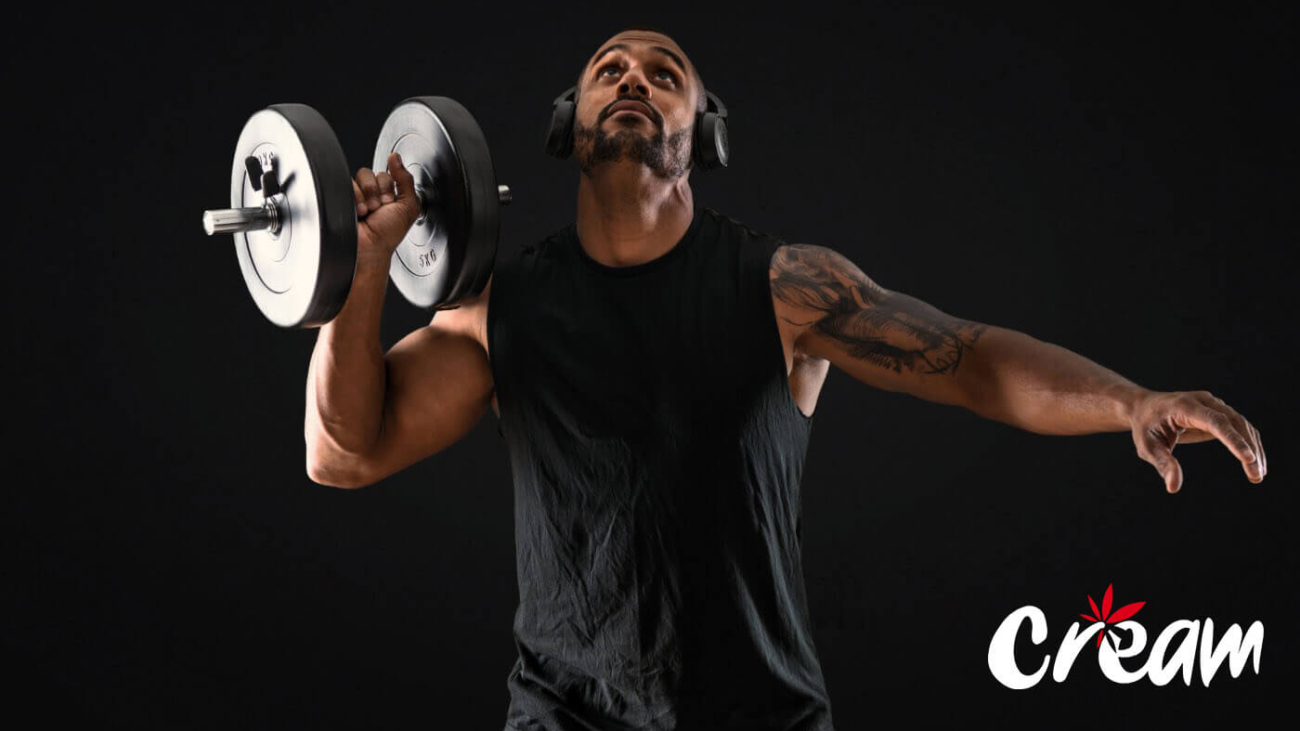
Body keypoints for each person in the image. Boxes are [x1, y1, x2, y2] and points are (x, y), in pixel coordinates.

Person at [303, 26, 1267, 731]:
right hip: (565, 719)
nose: (633, 78)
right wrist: (364, 268)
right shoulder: (498, 310)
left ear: (703, 131)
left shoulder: (787, 290)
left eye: (663, 74)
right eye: (609, 71)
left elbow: (968, 360)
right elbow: (342, 452)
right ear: (570, 124)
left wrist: (1130, 403)